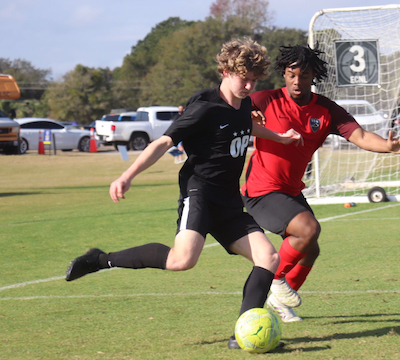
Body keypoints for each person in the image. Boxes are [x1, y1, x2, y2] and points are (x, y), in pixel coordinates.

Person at [65, 38, 302, 351]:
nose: (248, 85)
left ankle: (243, 334)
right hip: (200, 192)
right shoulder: (204, 107)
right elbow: (163, 143)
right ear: (224, 71)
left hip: (229, 200)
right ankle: (100, 259)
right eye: (243, 77)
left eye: (254, 80)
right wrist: (127, 175)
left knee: (269, 258)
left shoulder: (244, 103)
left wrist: (279, 138)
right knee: (182, 260)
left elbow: (244, 127)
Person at [240, 44, 400, 323]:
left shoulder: (326, 110)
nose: (297, 81)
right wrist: (246, 114)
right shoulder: (265, 99)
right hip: (261, 190)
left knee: (311, 247)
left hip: (291, 190)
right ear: (283, 74)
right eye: (291, 74)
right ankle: (274, 277)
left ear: (314, 76)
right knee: (308, 229)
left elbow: (359, 135)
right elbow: (232, 109)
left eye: (304, 74)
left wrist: (388, 146)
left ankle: (280, 301)